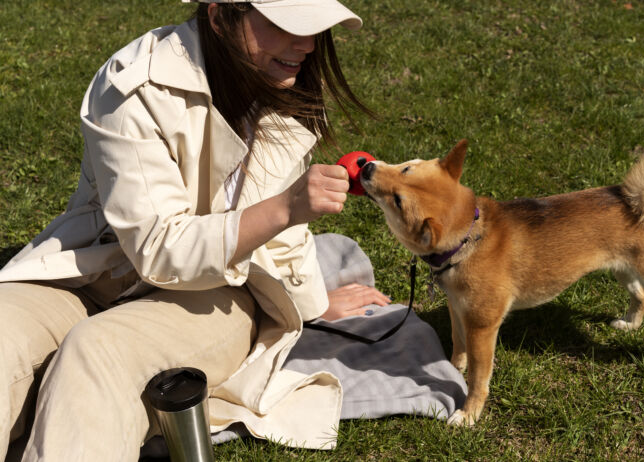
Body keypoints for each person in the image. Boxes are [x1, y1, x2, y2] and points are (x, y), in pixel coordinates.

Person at [0, 1, 390, 459]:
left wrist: (312, 305)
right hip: (102, 267)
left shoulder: (285, 79)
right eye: (285, 24)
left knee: (97, 351)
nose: (306, 44)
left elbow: (282, 238)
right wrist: (286, 206)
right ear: (219, 14)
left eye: (314, 27)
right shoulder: (133, 87)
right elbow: (158, 249)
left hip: (222, 292)